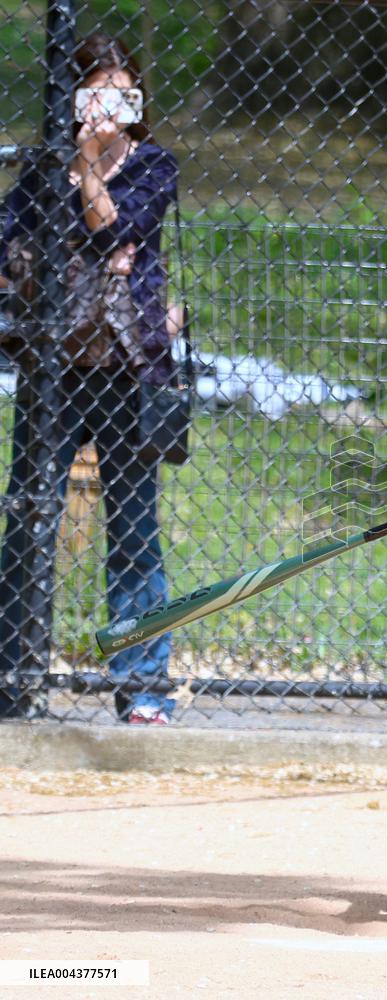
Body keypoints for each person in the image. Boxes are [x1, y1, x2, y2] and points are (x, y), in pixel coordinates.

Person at [0, 34, 179, 724]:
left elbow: (118, 229)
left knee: (134, 533)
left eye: (120, 91)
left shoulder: (155, 164)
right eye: (93, 90)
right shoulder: (45, 170)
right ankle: (15, 676)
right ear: (73, 98)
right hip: (54, 370)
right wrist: (74, 195)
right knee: (28, 521)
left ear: (136, 101)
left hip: (127, 371)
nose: (107, 105)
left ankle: (142, 690)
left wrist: (90, 187)